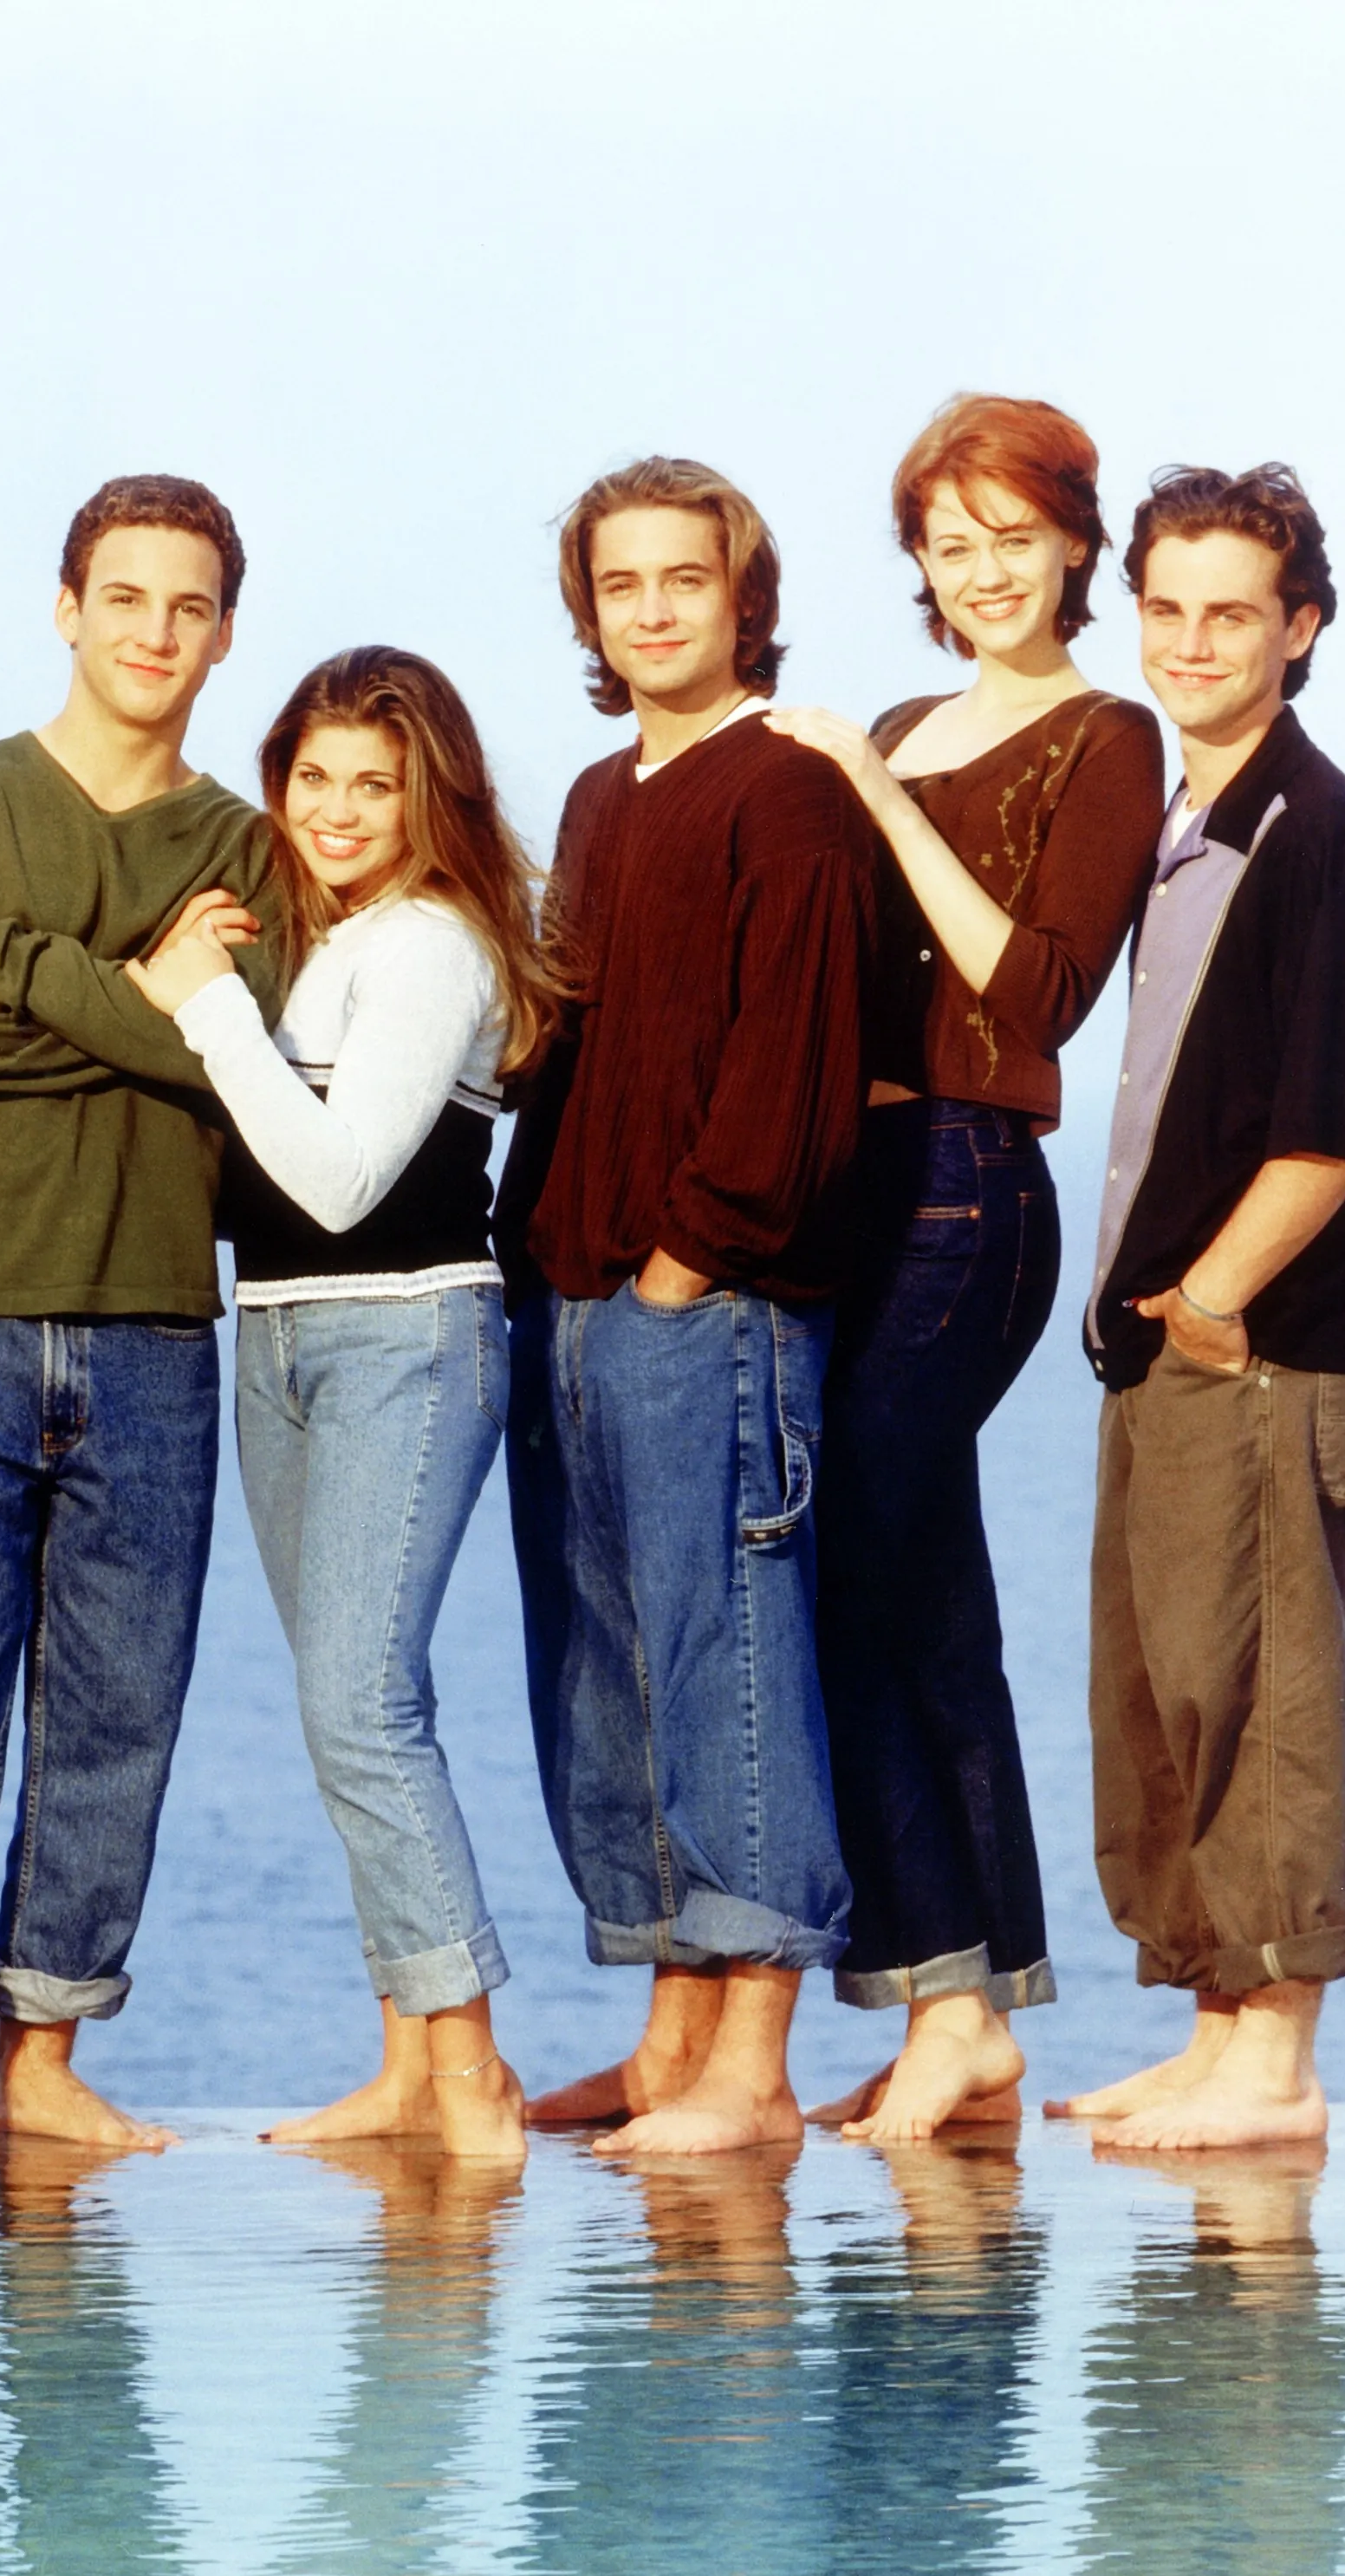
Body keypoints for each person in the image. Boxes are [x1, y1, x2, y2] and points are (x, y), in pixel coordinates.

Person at [0, 473, 282, 2161]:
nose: (154, 633)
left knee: (115, 1711)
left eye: (187, 606)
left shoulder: (246, 844)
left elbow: (244, 1058)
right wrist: (147, 993)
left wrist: (22, 964)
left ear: (224, 630)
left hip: (153, 1321)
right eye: (124, 598)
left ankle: (46, 2058)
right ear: (64, 606)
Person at [760, 395, 1166, 2141]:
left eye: (1015, 536)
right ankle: (971, 2008)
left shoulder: (1106, 735)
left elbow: (1035, 991)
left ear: (1073, 544)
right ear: (915, 560)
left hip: (966, 1187)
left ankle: (944, 1989)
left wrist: (859, 782)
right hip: (848, 1188)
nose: (983, 570)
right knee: (912, 1587)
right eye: (949, 541)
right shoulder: (913, 714)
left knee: (863, 1553)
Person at [127, 647, 561, 2161]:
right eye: (313, 776)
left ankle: (471, 2076)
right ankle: (406, 2061)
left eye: (374, 782)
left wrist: (201, 1008)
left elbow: (332, 1178)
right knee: (348, 1720)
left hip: (405, 1338)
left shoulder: (431, 945)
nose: (337, 808)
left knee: (361, 1707)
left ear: (429, 793)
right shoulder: (334, 945)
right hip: (287, 1340)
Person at [495, 457, 880, 2156]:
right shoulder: (596, 796)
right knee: (607, 1672)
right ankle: (666, 2043)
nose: (651, 609)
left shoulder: (784, 795)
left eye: (684, 580)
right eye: (621, 584)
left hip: (702, 1305)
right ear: (587, 608)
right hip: (571, 1300)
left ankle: (750, 2070)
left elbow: (792, 1067)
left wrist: (686, 1260)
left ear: (742, 599)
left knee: (724, 1669)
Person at [1056, 465, 1345, 2150]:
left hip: (1270, 1348)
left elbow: (1329, 1126)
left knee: (1263, 1688)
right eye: (1165, 607)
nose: (1191, 642)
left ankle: (1272, 2061)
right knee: (1172, 1689)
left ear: (1298, 628)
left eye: (1230, 612)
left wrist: (1208, 1302)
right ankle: (1216, 2035)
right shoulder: (1181, 829)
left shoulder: (1319, 837)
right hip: (1174, 1345)